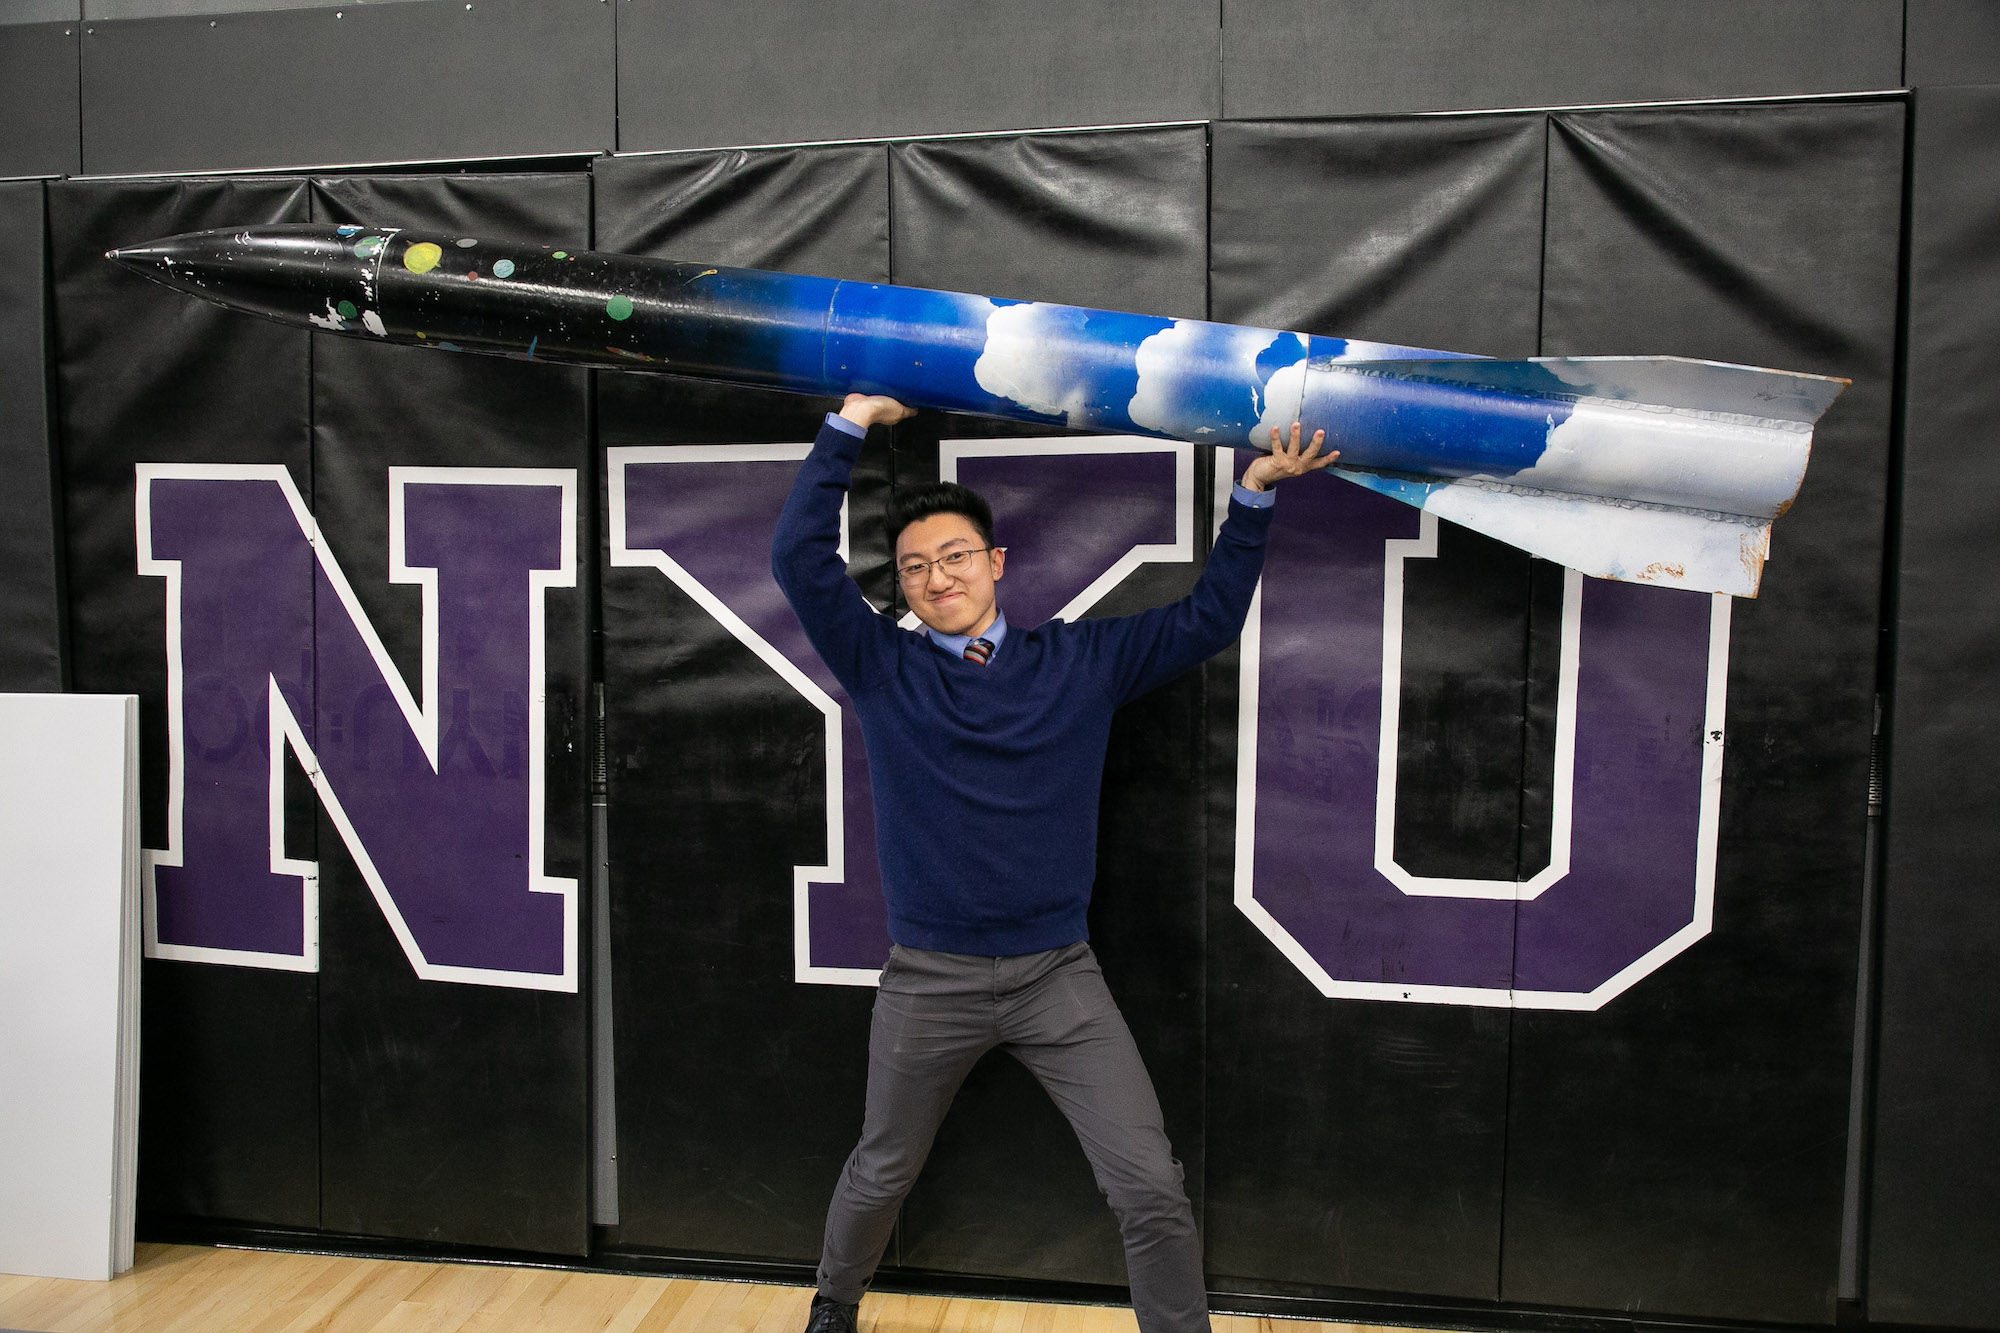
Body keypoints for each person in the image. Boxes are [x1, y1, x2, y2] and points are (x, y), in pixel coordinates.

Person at [772, 392, 1335, 1333]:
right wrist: (851, 424)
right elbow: (797, 557)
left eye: (953, 555)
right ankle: (834, 1307)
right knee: (882, 1166)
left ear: (995, 563)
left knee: (1150, 1183)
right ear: (902, 587)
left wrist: (1255, 496)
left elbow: (1205, 622)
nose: (935, 575)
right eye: (914, 566)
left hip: (1056, 976)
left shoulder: (1080, 660)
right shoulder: (882, 666)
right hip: (930, 980)